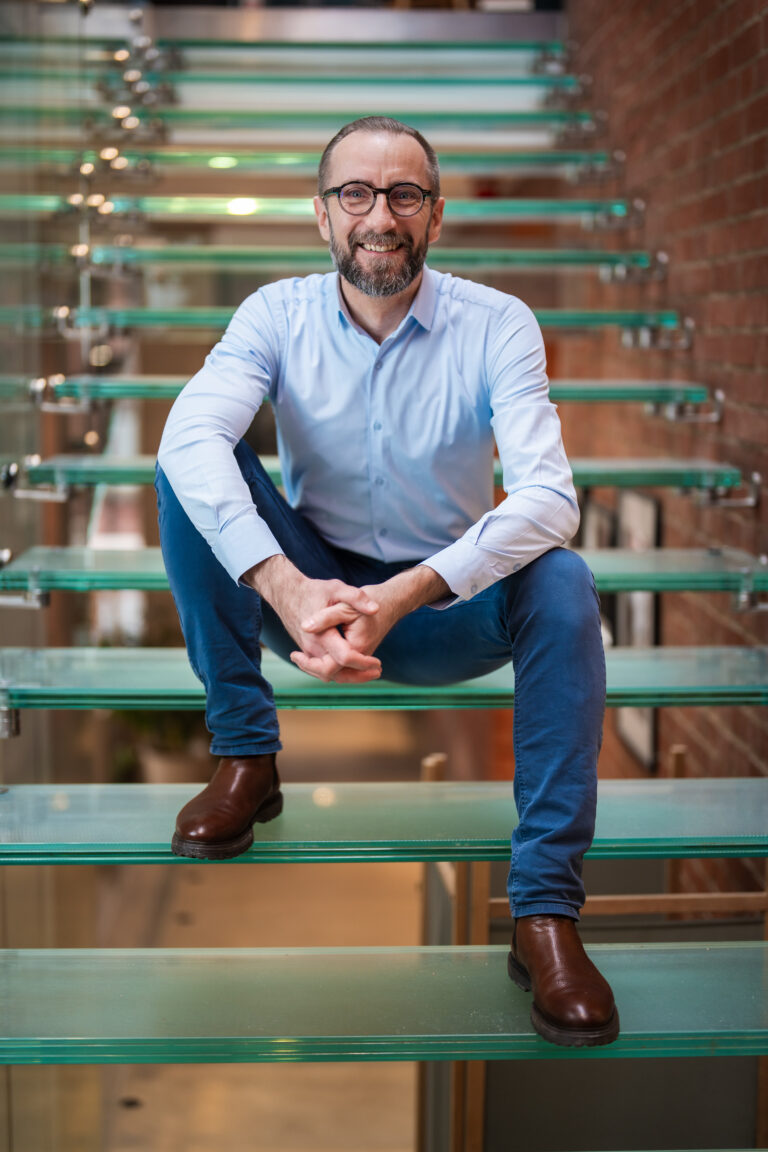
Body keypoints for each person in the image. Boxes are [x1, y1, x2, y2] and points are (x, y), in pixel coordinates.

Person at [155, 115, 618, 1048]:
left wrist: (407, 593)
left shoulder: (500, 324)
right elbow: (190, 436)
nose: (380, 215)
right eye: (355, 194)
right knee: (188, 461)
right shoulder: (272, 315)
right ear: (321, 216)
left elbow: (549, 499)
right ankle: (248, 754)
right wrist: (286, 588)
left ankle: (545, 916)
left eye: (404, 194)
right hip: (312, 595)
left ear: (436, 216)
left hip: (442, 606)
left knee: (563, 580)